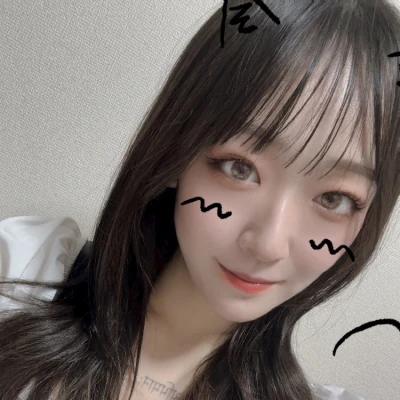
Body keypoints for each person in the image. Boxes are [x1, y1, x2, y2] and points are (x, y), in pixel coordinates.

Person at [1, 1, 399, 399]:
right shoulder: (22, 274)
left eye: (334, 198)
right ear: (177, 150)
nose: (267, 245)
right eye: (239, 168)